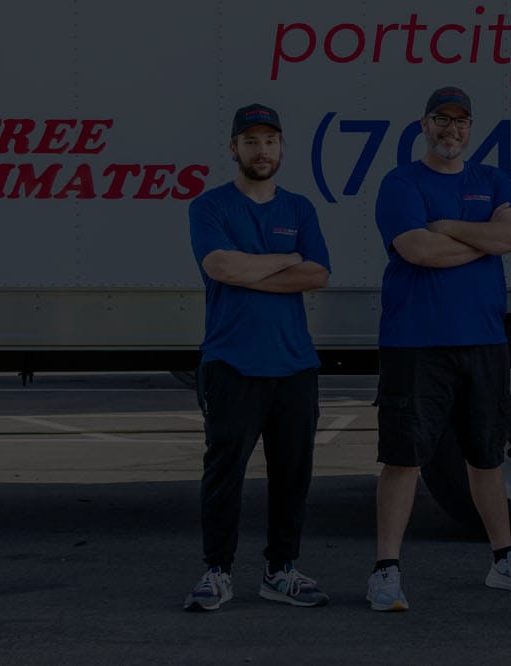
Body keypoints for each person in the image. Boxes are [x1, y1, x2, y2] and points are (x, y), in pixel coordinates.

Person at [368, 86, 511, 612]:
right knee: (403, 459)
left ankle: (504, 560)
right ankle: (386, 571)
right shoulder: (400, 182)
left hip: (484, 341)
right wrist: (482, 235)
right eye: (441, 120)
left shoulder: (491, 178)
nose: (451, 129)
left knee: (488, 457)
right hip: (415, 343)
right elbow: (417, 251)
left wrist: (449, 228)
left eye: (461, 120)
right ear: (423, 125)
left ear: (472, 128)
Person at [183, 103, 333, 611]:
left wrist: (256, 270)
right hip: (231, 361)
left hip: (294, 364)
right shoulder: (209, 207)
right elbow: (220, 265)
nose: (261, 149)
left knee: (292, 474)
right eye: (250, 141)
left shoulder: (300, 208)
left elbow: (317, 274)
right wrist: (285, 259)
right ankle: (217, 572)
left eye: (270, 140)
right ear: (233, 149)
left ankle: (280, 571)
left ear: (282, 147)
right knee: (224, 472)